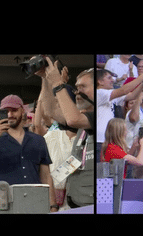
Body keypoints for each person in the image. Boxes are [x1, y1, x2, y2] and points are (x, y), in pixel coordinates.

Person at [0, 94, 57, 212]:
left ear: (22, 111)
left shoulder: (38, 140)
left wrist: (53, 205)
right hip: (7, 203)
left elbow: (46, 175)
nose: (10, 115)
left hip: (36, 200)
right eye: (6, 111)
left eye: (14, 110)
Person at [43, 59, 95, 209]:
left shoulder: (98, 115)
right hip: (74, 203)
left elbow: (73, 119)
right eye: (77, 88)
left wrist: (58, 84)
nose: (78, 92)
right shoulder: (82, 119)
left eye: (83, 87)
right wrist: (45, 80)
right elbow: (50, 111)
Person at [97, 68, 143, 162]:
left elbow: (132, 96)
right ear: (100, 81)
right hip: (99, 141)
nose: (113, 80)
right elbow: (124, 90)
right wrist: (142, 76)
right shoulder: (99, 93)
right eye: (109, 78)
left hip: (107, 141)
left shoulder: (108, 94)